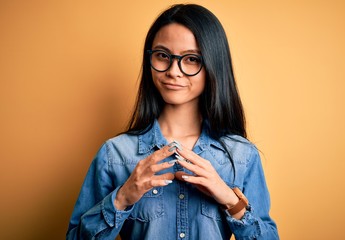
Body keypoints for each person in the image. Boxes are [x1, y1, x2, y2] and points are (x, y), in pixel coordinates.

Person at [66, 3, 279, 240]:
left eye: (191, 59)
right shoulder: (114, 154)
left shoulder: (241, 155)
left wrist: (231, 200)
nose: (173, 71)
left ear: (212, 65)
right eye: (162, 56)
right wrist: (122, 197)